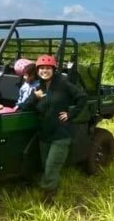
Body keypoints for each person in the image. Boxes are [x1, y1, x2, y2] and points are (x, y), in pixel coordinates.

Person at [19, 54, 87, 202]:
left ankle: (49, 194)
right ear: (37, 71)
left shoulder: (63, 83)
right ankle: (47, 186)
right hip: (44, 134)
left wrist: (71, 113)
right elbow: (23, 107)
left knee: (51, 166)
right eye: (41, 68)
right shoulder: (38, 87)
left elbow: (82, 97)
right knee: (45, 165)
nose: (44, 71)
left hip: (61, 134)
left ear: (53, 69)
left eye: (48, 68)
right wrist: (34, 98)